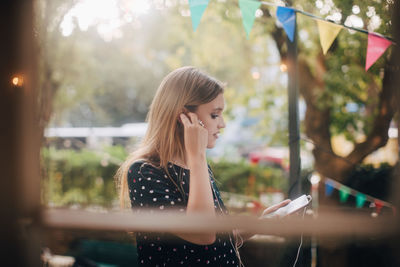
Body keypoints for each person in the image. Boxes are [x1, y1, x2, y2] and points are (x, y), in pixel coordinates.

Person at [116, 66, 290, 267]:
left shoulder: (196, 167)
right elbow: (203, 233)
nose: (222, 124)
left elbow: (216, 242)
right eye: (215, 115)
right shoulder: (144, 172)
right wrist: (197, 156)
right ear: (184, 119)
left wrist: (260, 225)